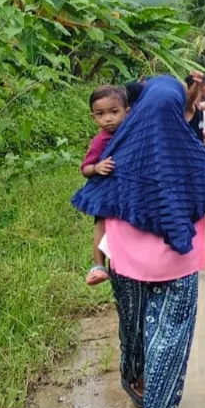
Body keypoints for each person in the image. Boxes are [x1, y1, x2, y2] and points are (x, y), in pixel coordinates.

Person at [71, 76, 205, 408]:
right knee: (169, 331)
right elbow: (203, 198)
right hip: (176, 261)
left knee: (134, 324)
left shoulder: (120, 149)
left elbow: (98, 199)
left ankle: (134, 380)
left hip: (124, 261)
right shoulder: (188, 152)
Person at [81, 85, 128, 286]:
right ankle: (98, 265)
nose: (108, 119)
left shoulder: (130, 133)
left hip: (124, 190)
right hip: (105, 190)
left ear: (128, 111)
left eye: (114, 112)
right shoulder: (100, 141)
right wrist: (97, 167)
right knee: (102, 225)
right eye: (100, 114)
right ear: (93, 118)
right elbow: (85, 168)